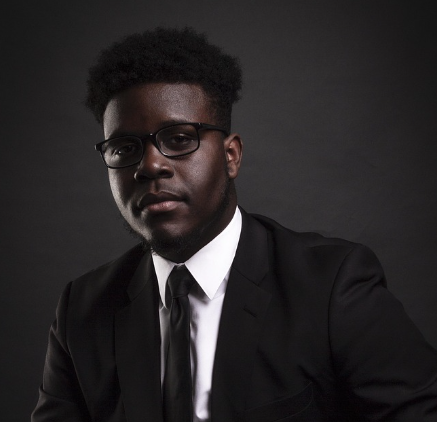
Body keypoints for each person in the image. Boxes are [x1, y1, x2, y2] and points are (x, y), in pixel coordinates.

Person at [32, 27, 437, 422]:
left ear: (231, 156)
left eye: (179, 139)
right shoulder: (81, 311)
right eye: (124, 148)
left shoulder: (333, 287)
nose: (150, 165)